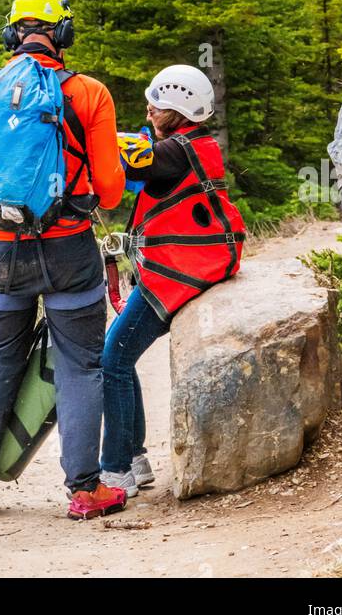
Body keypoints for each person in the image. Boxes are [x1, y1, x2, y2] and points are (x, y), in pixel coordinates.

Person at [0, 0, 129, 521]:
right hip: (68, 247)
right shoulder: (88, 93)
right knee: (80, 364)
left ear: (12, 33)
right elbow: (112, 192)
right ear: (62, 34)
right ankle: (83, 491)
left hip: (2, 249)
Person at [100, 66, 246, 495]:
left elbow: (135, 160)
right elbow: (142, 163)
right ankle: (136, 458)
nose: (150, 107)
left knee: (113, 361)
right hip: (187, 267)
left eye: (158, 104)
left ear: (178, 110)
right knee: (120, 359)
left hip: (176, 274)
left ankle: (115, 470)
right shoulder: (194, 146)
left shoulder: (173, 154)